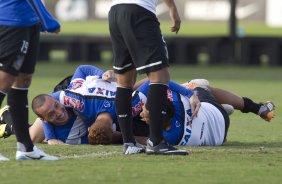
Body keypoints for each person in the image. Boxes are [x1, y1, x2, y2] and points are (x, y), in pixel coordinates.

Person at [1, 66, 275, 148]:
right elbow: (152, 84)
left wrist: (93, 76)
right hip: (204, 116)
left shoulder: (86, 104)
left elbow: (51, 103)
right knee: (196, 86)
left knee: (195, 87)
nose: (59, 112)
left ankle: (8, 121)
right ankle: (252, 107)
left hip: (214, 131)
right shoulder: (130, 109)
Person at [108, 0, 198, 155]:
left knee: (125, 80)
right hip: (139, 11)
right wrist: (172, 9)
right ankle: (156, 142)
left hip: (115, 12)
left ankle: (129, 143)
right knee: (160, 75)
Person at [0, 0, 60, 161]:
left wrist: (37, 18)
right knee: (4, 80)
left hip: (29, 20)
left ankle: (26, 148)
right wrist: (48, 20)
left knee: (22, 81)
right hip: (11, 19)